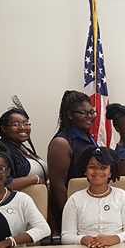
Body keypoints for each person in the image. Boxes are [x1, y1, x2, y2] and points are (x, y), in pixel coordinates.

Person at [61, 146, 125, 248]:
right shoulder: (74, 200)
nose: (97, 171)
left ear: (110, 172)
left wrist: (113, 239)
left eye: (103, 167)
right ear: (85, 171)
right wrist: (84, 240)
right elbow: (66, 236)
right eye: (92, 167)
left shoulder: (123, 197)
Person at [48, 90, 98, 229]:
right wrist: (70, 216)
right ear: (69, 115)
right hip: (72, 209)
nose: (89, 116)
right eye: (83, 113)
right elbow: (58, 186)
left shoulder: (88, 136)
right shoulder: (61, 143)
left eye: (92, 112)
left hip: (89, 204)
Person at [0, 142, 51, 248]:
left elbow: (43, 228)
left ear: (8, 172)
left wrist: (9, 242)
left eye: (1, 169)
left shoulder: (21, 199)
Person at [0, 107, 47, 190]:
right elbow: (3, 183)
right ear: (4, 129)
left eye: (26, 124)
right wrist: (36, 179)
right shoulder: (1, 150)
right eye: (16, 124)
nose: (23, 127)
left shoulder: (22, 148)